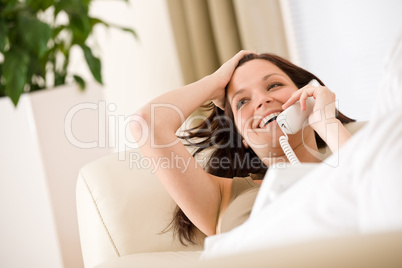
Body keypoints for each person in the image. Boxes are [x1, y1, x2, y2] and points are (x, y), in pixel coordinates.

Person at [129, 50, 355, 245]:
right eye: (242, 101)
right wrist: (216, 81)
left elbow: (379, 191)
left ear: (307, 96)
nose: (261, 101)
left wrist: (326, 122)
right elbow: (146, 124)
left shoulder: (349, 159)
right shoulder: (223, 196)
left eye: (274, 85)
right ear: (241, 135)